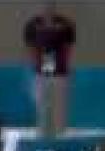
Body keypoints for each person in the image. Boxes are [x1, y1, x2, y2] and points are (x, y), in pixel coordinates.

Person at [23, 1, 76, 138]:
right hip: (41, 74)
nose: (47, 6)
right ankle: (42, 136)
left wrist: (63, 67)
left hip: (59, 74)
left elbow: (68, 48)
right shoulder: (32, 25)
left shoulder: (65, 25)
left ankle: (60, 136)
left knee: (59, 108)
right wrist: (37, 66)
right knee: (42, 109)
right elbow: (30, 48)